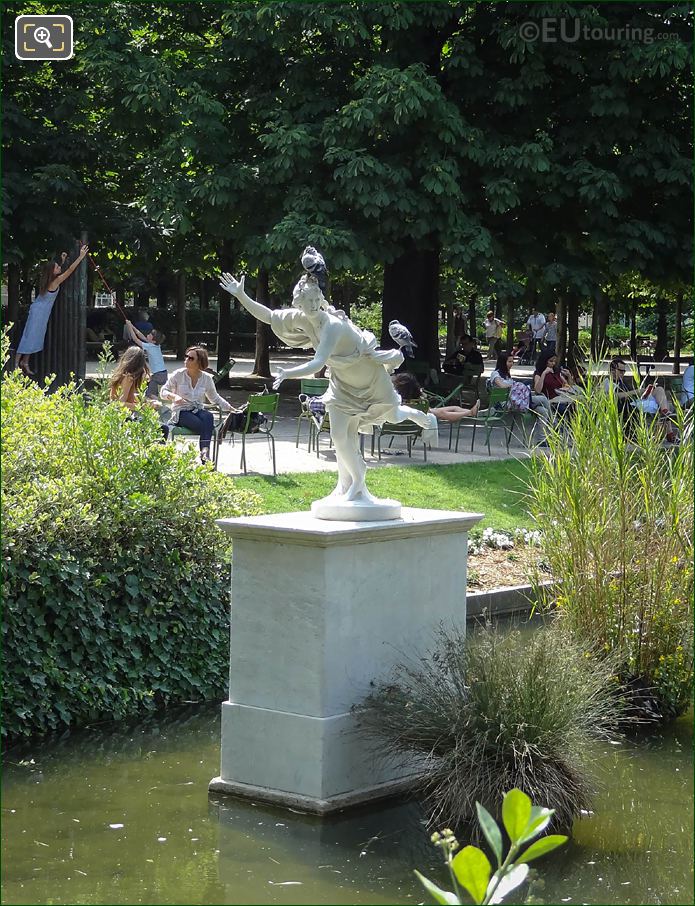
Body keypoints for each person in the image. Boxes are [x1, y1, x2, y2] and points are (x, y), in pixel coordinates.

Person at [219, 270, 432, 503]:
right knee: (341, 437)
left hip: (369, 378)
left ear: (321, 300)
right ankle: (349, 484)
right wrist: (241, 296)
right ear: (298, 302)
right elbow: (270, 316)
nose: (312, 305)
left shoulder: (332, 325)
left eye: (315, 300)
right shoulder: (303, 319)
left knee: (392, 415)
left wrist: (289, 372)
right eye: (307, 300)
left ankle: (413, 415)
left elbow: (318, 363)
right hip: (342, 384)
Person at [15, 245, 89, 375]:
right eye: (57, 267)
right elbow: (70, 270)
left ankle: (24, 362)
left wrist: (62, 260)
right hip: (39, 313)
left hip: (40, 312)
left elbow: (58, 270)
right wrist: (81, 256)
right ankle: (16, 363)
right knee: (29, 336)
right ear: (52, 272)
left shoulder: (50, 279)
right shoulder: (55, 281)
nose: (59, 268)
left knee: (34, 336)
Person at [160, 345, 233, 463]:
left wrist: (229, 408)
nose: (186, 360)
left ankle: (204, 452)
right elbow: (163, 391)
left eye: (191, 358)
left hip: (198, 410)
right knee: (206, 426)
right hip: (181, 412)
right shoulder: (178, 374)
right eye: (186, 357)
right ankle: (205, 454)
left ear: (200, 362)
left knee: (208, 416)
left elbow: (215, 398)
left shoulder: (207, 379)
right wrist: (174, 396)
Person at [489, 351, 552, 423]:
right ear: (502, 362)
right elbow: (502, 386)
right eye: (509, 362)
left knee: (543, 411)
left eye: (512, 362)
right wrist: (517, 385)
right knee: (543, 399)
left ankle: (543, 433)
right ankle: (554, 424)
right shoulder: (495, 374)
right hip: (508, 403)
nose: (511, 364)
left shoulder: (507, 375)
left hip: (518, 401)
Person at [392, 372, 480, 421]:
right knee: (442, 414)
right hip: (423, 413)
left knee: (454, 407)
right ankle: (470, 413)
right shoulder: (414, 400)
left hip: (425, 411)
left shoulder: (398, 397)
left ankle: (477, 413)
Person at [124, 319, 168, 398]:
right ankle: (157, 404)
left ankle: (157, 406)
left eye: (150, 335)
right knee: (153, 392)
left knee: (150, 394)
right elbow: (139, 334)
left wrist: (129, 327)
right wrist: (131, 326)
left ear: (153, 340)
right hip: (163, 374)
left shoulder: (150, 346)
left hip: (158, 375)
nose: (147, 335)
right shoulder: (156, 345)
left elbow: (135, 339)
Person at [108, 346, 151, 411]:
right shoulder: (128, 378)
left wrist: (144, 400)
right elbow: (120, 404)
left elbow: (127, 396)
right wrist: (143, 407)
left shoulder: (121, 373)